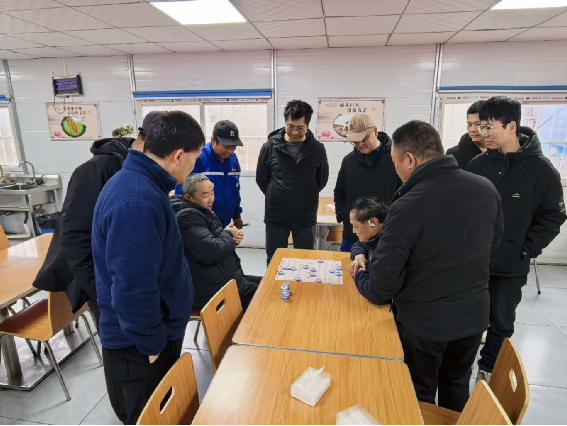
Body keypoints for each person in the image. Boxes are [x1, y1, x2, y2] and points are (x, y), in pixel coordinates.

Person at [369, 120, 503, 412]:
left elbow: (385, 280)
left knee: (418, 394)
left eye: (395, 162)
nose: (396, 169)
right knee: (456, 384)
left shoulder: (408, 204)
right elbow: (493, 246)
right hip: (473, 318)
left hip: (424, 324)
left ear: (409, 159)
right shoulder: (485, 189)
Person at [92, 111, 205, 425]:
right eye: (194, 160)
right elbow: (132, 287)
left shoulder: (143, 185)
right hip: (139, 345)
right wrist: (152, 344)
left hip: (151, 333)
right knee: (148, 417)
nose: (194, 168)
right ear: (178, 155)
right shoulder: (137, 200)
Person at [468, 96, 567, 382]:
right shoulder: (477, 165)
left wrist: (526, 249)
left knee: (501, 321)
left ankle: (488, 368)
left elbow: (553, 216)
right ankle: (462, 363)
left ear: (511, 126)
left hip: (510, 265)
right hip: (472, 262)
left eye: (489, 127)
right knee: (469, 318)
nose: (483, 134)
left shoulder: (541, 171)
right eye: (481, 127)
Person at [33, 124, 146, 331]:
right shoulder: (96, 170)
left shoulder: (140, 169)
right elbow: (74, 235)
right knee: (121, 341)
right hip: (104, 283)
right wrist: (98, 290)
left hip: (128, 278)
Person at [172, 174, 261, 311]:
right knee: (267, 295)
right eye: (205, 195)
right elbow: (211, 251)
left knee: (269, 283)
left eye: (212, 193)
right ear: (189, 198)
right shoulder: (187, 216)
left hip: (228, 279)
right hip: (213, 289)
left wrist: (230, 239)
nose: (211, 199)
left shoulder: (201, 212)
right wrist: (228, 234)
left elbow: (213, 241)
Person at [257, 100, 329, 265]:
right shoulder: (270, 147)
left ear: (307, 125)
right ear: (285, 123)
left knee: (305, 260)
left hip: (305, 215)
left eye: (300, 128)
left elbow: (322, 180)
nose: (295, 132)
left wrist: (305, 194)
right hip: (276, 214)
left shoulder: (317, 149)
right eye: (290, 127)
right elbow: (261, 178)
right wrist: (277, 194)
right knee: (275, 260)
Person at [334, 114, 401, 252]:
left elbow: (403, 193)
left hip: (385, 232)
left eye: (363, 139)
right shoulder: (349, 160)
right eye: (355, 141)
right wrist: (343, 214)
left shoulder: (395, 157)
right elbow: (340, 191)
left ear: (375, 132)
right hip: (353, 232)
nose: (359, 144)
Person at [174, 120, 244, 229]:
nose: (230, 151)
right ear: (213, 140)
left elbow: (235, 190)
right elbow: (181, 193)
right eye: (226, 146)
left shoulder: (233, 160)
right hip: (201, 224)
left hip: (225, 224)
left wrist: (236, 215)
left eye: (233, 146)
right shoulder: (198, 158)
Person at [348, 197, 390, 306]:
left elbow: (377, 295)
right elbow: (359, 244)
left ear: (373, 223)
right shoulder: (375, 235)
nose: (353, 231)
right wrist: (359, 256)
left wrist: (359, 272)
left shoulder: (388, 247)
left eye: (356, 226)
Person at [447, 101, 488, 169]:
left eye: (478, 124)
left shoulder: (502, 151)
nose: (472, 130)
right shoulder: (454, 154)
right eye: (469, 124)